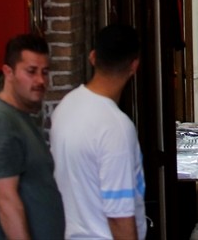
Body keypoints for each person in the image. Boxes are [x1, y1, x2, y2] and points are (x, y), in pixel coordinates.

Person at [0, 33, 65, 240]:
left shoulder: (19, 118)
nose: (40, 80)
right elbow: (5, 201)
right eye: (31, 71)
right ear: (8, 72)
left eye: (45, 72)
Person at [51, 25, 146, 240]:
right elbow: (119, 216)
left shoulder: (64, 107)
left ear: (93, 57)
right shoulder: (116, 128)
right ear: (134, 66)